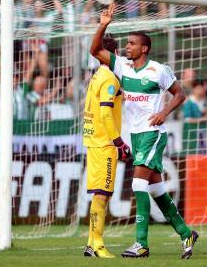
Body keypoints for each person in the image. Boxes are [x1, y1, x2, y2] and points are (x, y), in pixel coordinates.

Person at [90, 3, 198, 259]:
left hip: (153, 133)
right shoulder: (122, 67)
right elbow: (95, 50)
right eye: (126, 44)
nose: (127, 47)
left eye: (131, 44)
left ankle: (141, 243)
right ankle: (186, 234)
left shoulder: (158, 70)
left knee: (138, 183)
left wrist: (164, 112)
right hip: (136, 135)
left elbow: (180, 94)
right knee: (157, 190)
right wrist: (103, 23)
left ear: (144, 48)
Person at [82, 35, 130, 258]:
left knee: (99, 195)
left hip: (93, 141)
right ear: (114, 54)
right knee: (102, 195)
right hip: (104, 143)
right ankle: (98, 244)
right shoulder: (110, 79)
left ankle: (91, 243)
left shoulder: (97, 76)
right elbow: (105, 113)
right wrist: (119, 142)